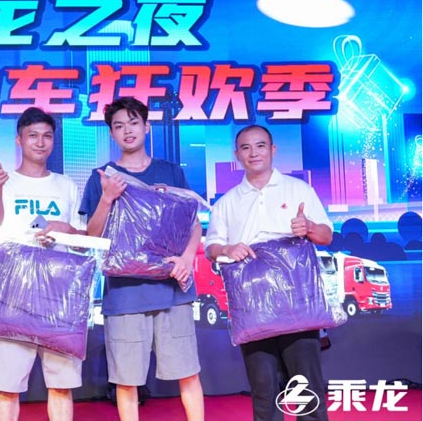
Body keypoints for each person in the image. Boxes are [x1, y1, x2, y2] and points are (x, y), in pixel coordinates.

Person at [80, 97, 205, 421]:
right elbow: (93, 234)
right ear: (111, 133)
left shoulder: (171, 172)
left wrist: (186, 258)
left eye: (134, 123)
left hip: (172, 290)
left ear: (147, 127)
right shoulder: (102, 177)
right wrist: (107, 198)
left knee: (188, 372)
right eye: (119, 125)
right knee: (126, 380)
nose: (127, 130)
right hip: (125, 294)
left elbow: (193, 223)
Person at [204, 124, 333, 421]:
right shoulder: (227, 202)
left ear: (273, 150)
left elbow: (326, 236)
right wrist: (227, 248)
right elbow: (211, 247)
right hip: (252, 306)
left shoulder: (298, 189)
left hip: (297, 300)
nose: (254, 153)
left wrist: (309, 227)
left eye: (260, 145)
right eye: (246, 147)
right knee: (264, 392)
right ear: (237, 155)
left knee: (307, 390)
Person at [0, 106, 86, 421]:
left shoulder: (66, 185)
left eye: (47, 136)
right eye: (32, 136)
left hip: (59, 289)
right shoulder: (3, 180)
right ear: (19, 140)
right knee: (7, 384)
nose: (40, 142)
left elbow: (82, 238)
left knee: (62, 383)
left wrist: (67, 230)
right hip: (14, 288)